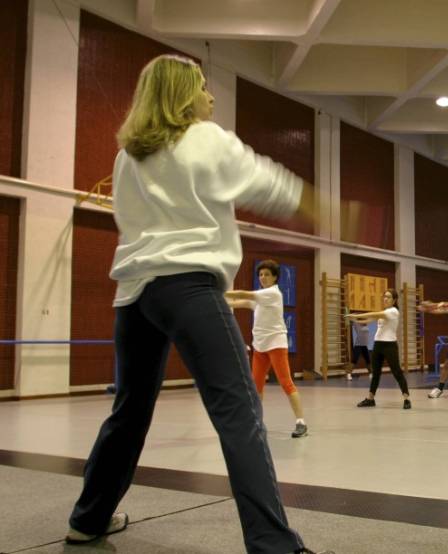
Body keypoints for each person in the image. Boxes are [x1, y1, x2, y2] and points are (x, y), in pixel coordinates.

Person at [64, 55, 329, 553]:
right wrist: (320, 204)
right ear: (185, 95)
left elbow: (128, 221)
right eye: (204, 87)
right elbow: (264, 181)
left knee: (130, 410)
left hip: (135, 295)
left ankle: (88, 519)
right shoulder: (203, 137)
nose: (210, 97)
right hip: (188, 288)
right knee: (240, 410)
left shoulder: (128, 157)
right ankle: (274, 546)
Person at [226, 259, 307, 438]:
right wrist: (218, 300)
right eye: (261, 275)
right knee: (256, 386)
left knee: (286, 383)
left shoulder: (273, 293)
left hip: (276, 344)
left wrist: (219, 292)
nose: (263, 277)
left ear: (275, 277)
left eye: (267, 275)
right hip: (260, 346)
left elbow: (243, 294)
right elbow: (240, 303)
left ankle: (301, 423)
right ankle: (257, 421)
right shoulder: (262, 297)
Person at [348, 288, 411, 409]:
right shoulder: (385, 312)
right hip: (378, 345)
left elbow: (374, 314)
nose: (385, 299)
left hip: (390, 345)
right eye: (384, 296)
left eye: (388, 297)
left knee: (397, 372)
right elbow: (368, 320)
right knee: (375, 373)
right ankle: (370, 399)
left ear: (394, 300)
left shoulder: (393, 312)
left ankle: (406, 398)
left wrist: (357, 315)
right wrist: (354, 319)